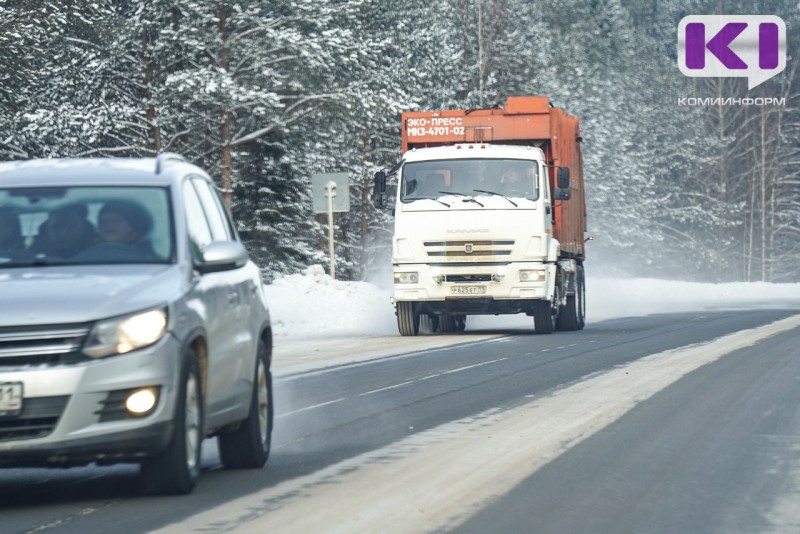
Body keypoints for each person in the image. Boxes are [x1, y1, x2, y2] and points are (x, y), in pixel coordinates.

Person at [31, 204, 96, 258]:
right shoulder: (29, 259)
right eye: (56, 227)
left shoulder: (98, 254)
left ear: (84, 228)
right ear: (46, 229)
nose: (63, 234)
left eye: (71, 227)